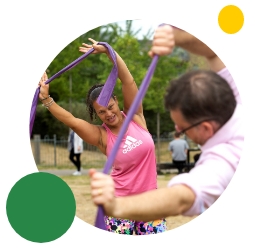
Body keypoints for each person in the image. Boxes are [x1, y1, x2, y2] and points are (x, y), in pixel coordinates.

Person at [89, 25, 243, 222]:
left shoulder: (229, 157)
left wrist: (116, 205)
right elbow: (214, 52)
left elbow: (181, 198)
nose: (177, 130)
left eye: (182, 127)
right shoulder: (235, 95)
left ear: (206, 128)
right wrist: (175, 37)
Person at [38, 38, 166, 235]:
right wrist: (46, 99)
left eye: (110, 107)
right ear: (96, 114)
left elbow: (128, 80)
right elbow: (72, 120)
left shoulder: (135, 116)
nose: (108, 114)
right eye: (101, 112)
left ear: (116, 100)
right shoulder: (101, 136)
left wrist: (110, 52)